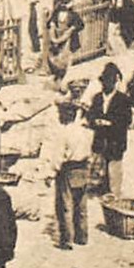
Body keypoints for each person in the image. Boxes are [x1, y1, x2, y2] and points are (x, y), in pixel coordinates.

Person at [41, 100, 95, 249]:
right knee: (81, 205)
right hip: (83, 169)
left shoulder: (63, 134)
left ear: (64, 115)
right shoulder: (86, 132)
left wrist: (50, 174)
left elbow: (58, 158)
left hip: (68, 170)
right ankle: (82, 236)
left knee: (65, 205)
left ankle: (67, 240)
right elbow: (90, 153)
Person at [87, 63, 133, 195]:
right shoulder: (97, 98)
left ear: (114, 82)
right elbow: (91, 114)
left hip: (115, 139)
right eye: (104, 81)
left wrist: (110, 123)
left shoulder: (123, 99)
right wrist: (95, 121)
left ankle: (114, 194)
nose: (105, 84)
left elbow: (126, 120)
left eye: (109, 81)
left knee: (114, 168)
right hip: (100, 138)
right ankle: (101, 189)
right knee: (100, 166)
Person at [45, 0, 84, 82]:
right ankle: (58, 76)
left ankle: (66, 79)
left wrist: (72, 28)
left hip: (69, 41)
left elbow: (81, 24)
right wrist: (52, 26)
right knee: (56, 59)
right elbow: (49, 23)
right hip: (57, 39)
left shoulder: (73, 15)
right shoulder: (56, 14)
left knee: (67, 61)